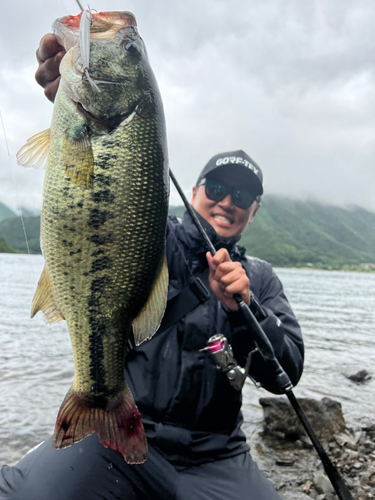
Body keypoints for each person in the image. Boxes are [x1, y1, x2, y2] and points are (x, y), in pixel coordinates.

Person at [0, 35, 304, 500]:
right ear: (196, 189)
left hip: (219, 455)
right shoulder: (151, 233)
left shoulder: (259, 278)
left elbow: (288, 369)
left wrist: (248, 311)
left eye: (241, 196)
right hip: (121, 434)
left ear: (255, 210)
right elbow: (106, 194)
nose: (227, 201)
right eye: (218, 187)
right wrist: (69, 96)